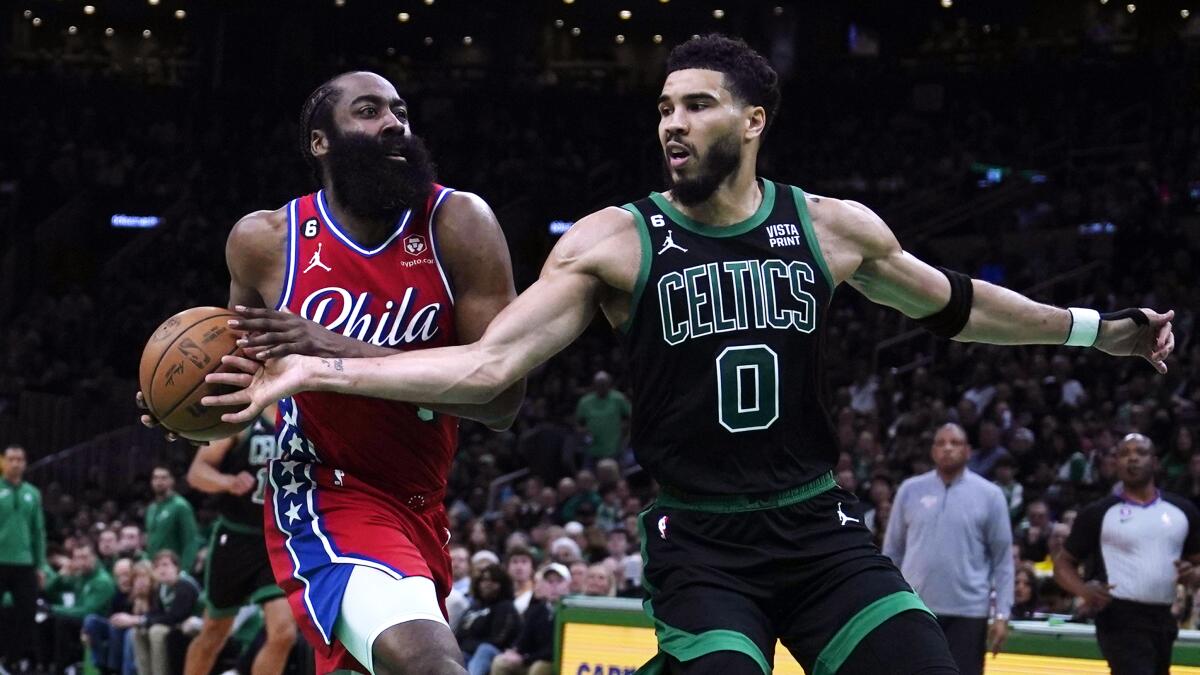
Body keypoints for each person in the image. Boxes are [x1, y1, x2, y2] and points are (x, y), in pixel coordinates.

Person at [205, 35, 1176, 675]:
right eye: (665, 107)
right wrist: (320, 367)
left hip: (818, 531)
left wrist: (1100, 330)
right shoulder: (611, 242)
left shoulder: (831, 228)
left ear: (753, 121)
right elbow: (491, 372)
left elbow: (959, 307)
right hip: (702, 545)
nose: (672, 122)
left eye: (698, 105)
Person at [143, 69, 524, 674]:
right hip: (320, 489)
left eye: (400, 110)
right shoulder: (264, 242)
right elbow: (242, 373)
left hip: (421, 501)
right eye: (369, 112)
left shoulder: (459, 224)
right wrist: (191, 409)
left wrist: (331, 349)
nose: (394, 123)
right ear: (321, 142)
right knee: (432, 664)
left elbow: (502, 402)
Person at [1054, 433, 1200, 675]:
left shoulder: (1182, 511)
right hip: (1119, 616)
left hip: (1164, 616)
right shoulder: (1098, 513)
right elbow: (1063, 564)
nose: (1132, 459)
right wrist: (1083, 590)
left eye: (1140, 453)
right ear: (1115, 463)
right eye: (1124, 454)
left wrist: (1193, 575)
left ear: (1154, 462)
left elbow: (1197, 564)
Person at [883, 423, 1014, 675]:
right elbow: (891, 553)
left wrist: (1002, 615)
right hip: (914, 606)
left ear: (967, 451)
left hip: (968, 611)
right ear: (932, 451)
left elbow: (1003, 561)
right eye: (941, 443)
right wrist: (887, 603)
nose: (947, 448)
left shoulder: (990, 495)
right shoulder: (910, 490)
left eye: (954, 443)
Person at [183, 405, 297, 675]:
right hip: (235, 537)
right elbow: (196, 473)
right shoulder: (242, 417)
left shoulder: (302, 417)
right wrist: (227, 481)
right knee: (214, 632)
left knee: (284, 633)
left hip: (278, 541)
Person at [0, 445, 46, 672]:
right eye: (11, 459)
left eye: (20, 459)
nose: (16, 463)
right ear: (4, 462)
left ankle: (12, 659)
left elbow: (39, 531)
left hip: (25, 562)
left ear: (25, 463)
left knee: (27, 613)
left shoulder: (33, 493)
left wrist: (41, 566)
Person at [122, 550, 202, 675]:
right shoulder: (162, 588)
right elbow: (156, 612)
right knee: (138, 631)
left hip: (192, 627)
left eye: (165, 565)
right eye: (157, 566)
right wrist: (141, 621)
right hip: (175, 625)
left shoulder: (185, 585)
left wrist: (141, 620)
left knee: (156, 631)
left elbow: (176, 616)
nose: (161, 569)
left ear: (176, 567)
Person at [47, 542, 117, 673]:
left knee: (61, 620)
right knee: (45, 619)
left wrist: (53, 609)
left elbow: (87, 611)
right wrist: (61, 574)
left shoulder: (102, 580)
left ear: (94, 558)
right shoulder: (80, 577)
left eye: (85, 557)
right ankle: (42, 664)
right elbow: (49, 591)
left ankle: (61, 668)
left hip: (99, 623)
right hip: (80, 619)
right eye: (77, 558)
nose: (81, 562)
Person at [490, 563, 571, 675]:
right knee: (500, 662)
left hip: (555, 660)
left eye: (559, 581)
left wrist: (525, 659)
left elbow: (556, 649)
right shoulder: (538, 610)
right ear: (543, 585)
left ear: (568, 585)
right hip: (533, 658)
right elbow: (524, 636)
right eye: (550, 582)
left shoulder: (570, 612)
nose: (554, 586)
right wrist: (514, 650)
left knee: (538, 669)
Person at [455, 564, 521, 675]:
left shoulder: (506, 607)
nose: (487, 584)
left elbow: (498, 640)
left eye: (493, 581)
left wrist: (469, 645)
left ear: (502, 584)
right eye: (484, 580)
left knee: (484, 649)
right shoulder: (474, 607)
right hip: (468, 652)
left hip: (497, 653)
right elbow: (459, 635)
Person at [83, 557, 135, 675]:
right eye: (119, 576)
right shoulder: (116, 591)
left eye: (126, 574)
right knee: (90, 621)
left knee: (115, 626)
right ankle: (101, 666)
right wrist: (86, 630)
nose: (123, 579)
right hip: (114, 626)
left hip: (129, 627)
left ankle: (114, 670)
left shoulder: (139, 589)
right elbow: (109, 615)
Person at [145, 466, 200, 572]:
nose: (159, 482)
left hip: (173, 569)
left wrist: (185, 570)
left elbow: (190, 541)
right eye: (155, 478)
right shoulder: (151, 508)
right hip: (154, 568)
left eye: (163, 478)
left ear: (172, 481)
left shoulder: (181, 506)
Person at [575, 371, 631, 467]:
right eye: (599, 384)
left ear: (609, 384)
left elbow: (630, 417)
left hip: (614, 449)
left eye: (604, 384)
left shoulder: (619, 398)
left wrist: (625, 434)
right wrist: (585, 433)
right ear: (594, 385)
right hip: (592, 450)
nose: (602, 387)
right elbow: (579, 425)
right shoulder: (585, 402)